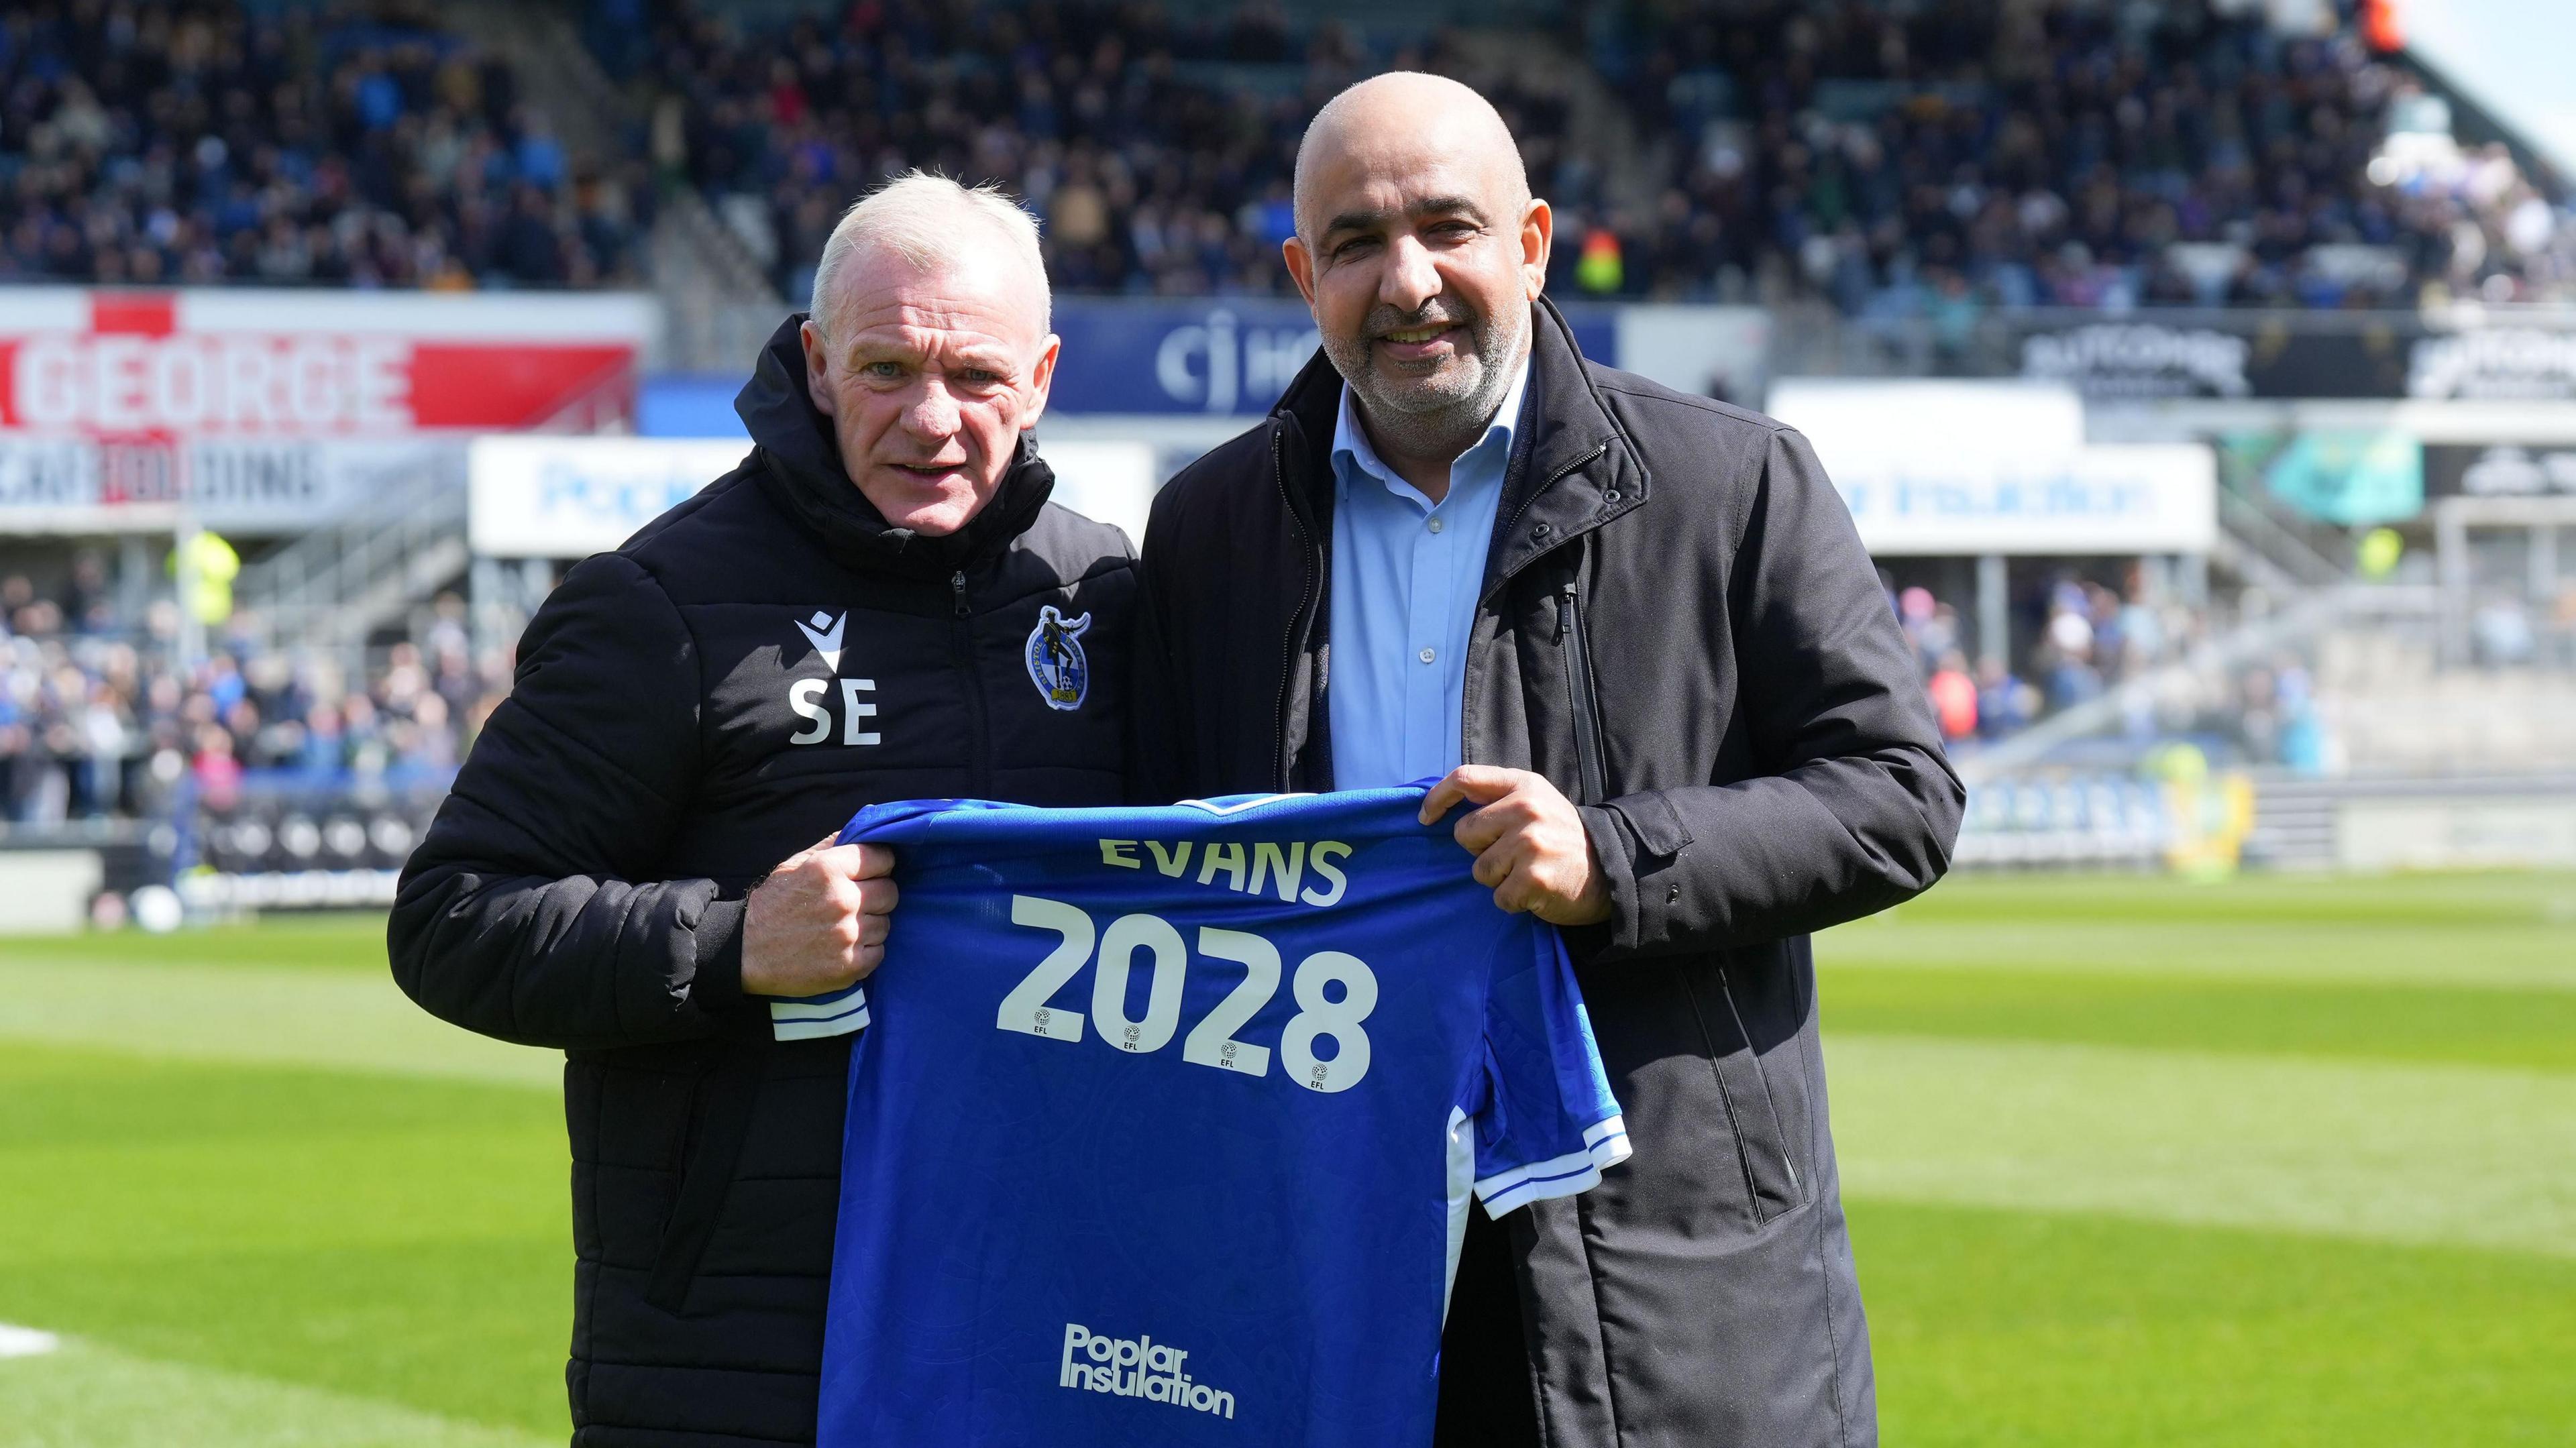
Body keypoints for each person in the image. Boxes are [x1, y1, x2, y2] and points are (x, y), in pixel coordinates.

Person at [1134, 74, 1963, 1447]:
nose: (1409, 283)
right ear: (1302, 276)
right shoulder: (1207, 529)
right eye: (1355, 243)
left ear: (1530, 243)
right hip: (1324, 1263)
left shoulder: (1734, 482)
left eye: (1448, 228)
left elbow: (1901, 796)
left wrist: (1613, 861)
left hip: (1669, 1287)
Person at [388, 173, 1134, 1447]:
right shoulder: (663, 604)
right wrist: (734, 943)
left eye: (976, 377)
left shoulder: (1105, 592)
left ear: (1043, 377)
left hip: (1045, 1325)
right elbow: (453, 918)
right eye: (888, 368)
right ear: (818, 362)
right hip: (739, 1363)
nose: (933, 418)